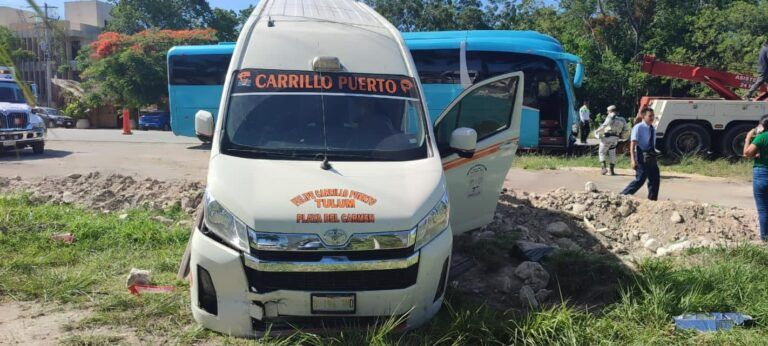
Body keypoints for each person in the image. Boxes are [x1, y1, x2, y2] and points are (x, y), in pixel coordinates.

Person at [621, 107, 660, 200]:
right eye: (650, 116)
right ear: (643, 116)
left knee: (655, 178)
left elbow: (652, 143)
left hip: (650, 155)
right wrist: (633, 160)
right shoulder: (638, 127)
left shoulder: (652, 128)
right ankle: (622, 196)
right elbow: (633, 144)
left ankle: (652, 200)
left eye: (653, 116)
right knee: (640, 179)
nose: (652, 118)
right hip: (640, 155)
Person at [743, 114, 768, 242]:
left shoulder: (761, 138)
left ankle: (765, 240)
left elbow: (746, 153)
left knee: (763, 210)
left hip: (762, 174)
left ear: (762, 126)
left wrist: (748, 138)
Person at [594, 105, 627, 175]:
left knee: (601, 152)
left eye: (608, 111)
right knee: (612, 153)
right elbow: (625, 130)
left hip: (607, 137)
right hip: (615, 138)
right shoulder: (622, 119)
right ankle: (612, 170)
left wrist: (597, 131)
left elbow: (605, 125)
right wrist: (621, 136)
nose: (607, 112)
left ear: (610, 111)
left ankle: (603, 169)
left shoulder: (610, 116)